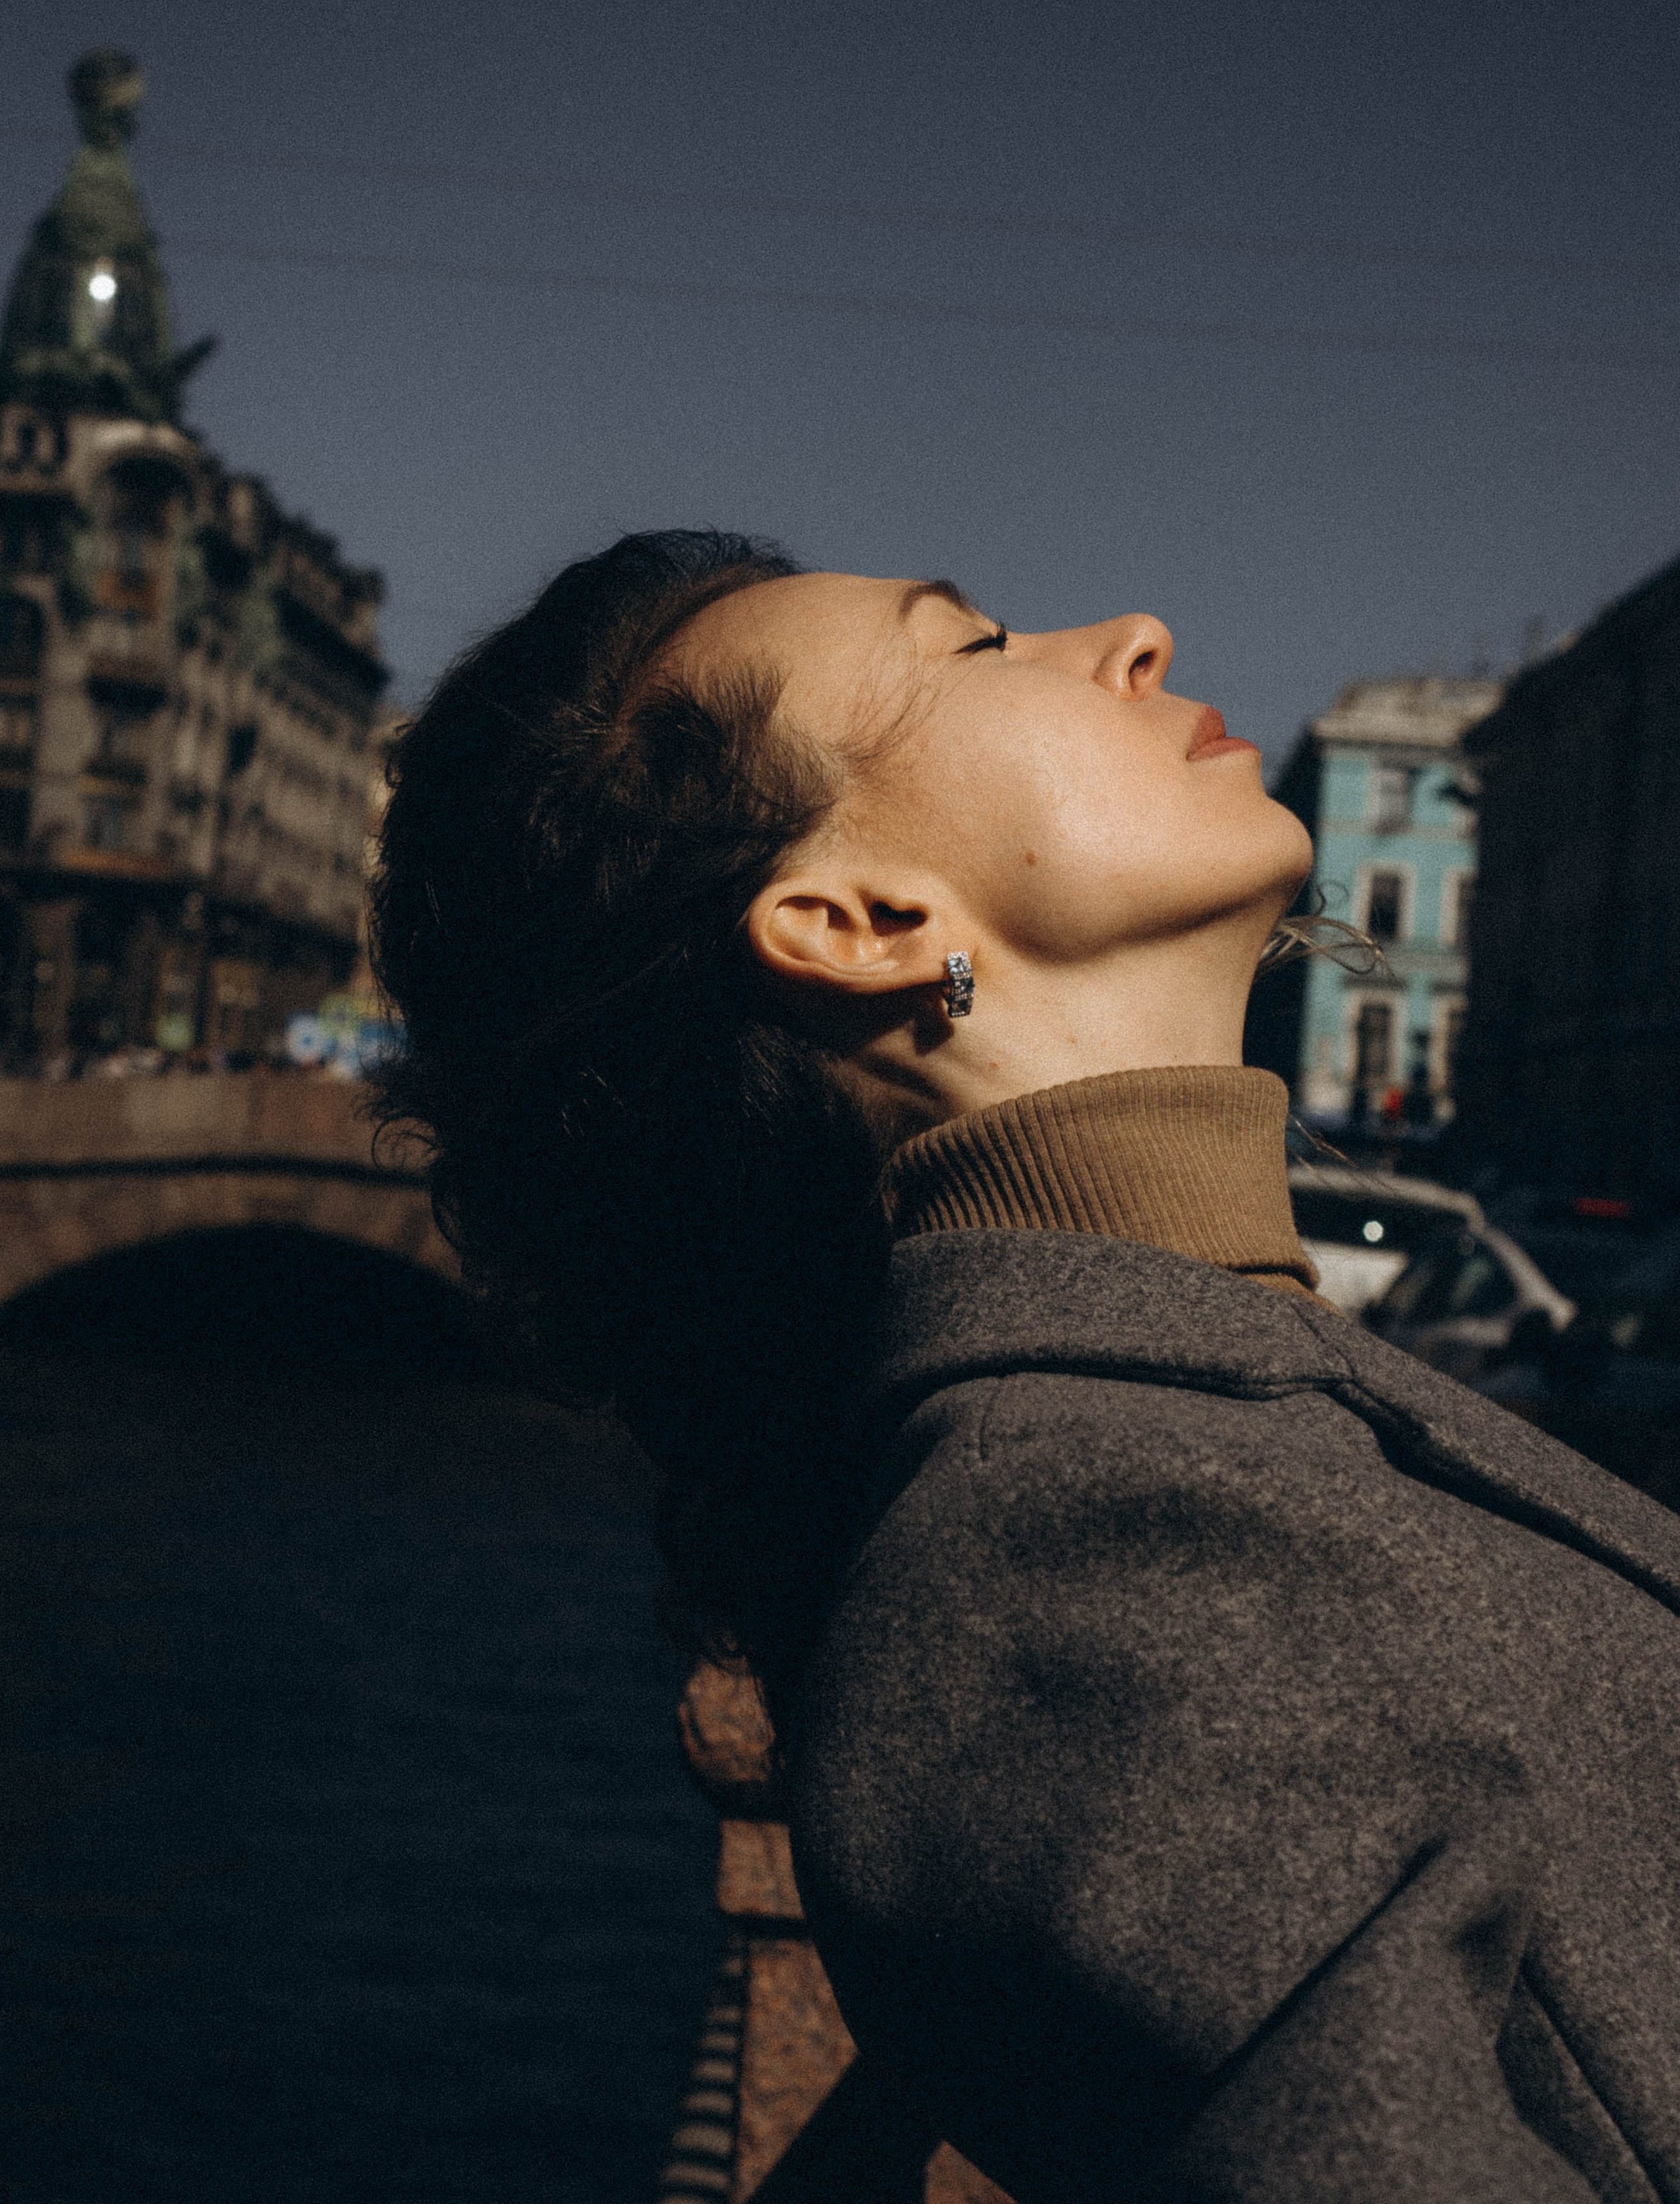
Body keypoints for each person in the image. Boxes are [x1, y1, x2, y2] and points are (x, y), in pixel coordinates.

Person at [371, 529, 1680, 2203]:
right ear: (860, 920)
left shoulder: (1172, 1433)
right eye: (976, 649)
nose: (1130, 632)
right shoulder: (1060, 1576)